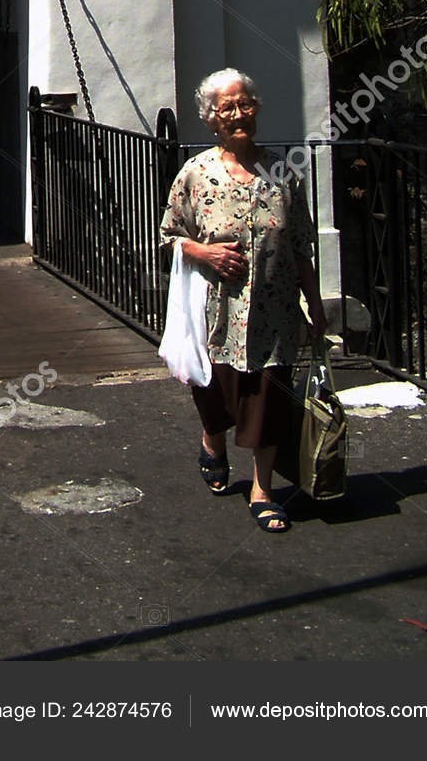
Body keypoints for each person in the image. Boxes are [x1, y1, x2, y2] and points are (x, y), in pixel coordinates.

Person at [159, 68, 327, 533]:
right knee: (214, 394)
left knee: (268, 399)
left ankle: (263, 489)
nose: (238, 114)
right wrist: (203, 251)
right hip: (215, 312)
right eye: (227, 108)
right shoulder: (196, 174)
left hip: (274, 313)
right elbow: (168, 237)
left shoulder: (282, 173)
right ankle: (213, 440)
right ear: (212, 119)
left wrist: (315, 305)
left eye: (245, 104)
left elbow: (299, 246)